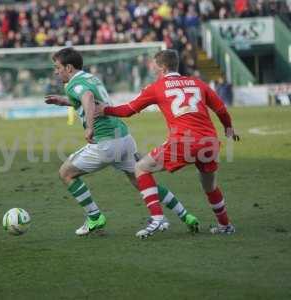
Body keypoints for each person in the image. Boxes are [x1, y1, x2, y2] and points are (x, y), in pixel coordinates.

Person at [45, 47, 199, 236]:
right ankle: (185, 215)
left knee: (65, 173)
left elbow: (87, 97)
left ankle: (94, 217)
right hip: (124, 139)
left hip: (105, 143)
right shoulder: (90, 78)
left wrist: (90, 127)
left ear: (68, 68)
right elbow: (89, 97)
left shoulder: (73, 84)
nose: (56, 71)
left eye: (57, 67)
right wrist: (65, 101)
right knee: (143, 181)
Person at [96, 49, 240, 238]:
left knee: (141, 168)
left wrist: (105, 110)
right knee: (210, 186)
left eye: (155, 65)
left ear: (163, 67)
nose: (153, 68)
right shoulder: (197, 83)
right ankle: (225, 225)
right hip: (209, 142)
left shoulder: (157, 87)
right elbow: (221, 108)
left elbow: (128, 110)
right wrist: (228, 128)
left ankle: (157, 218)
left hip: (184, 142)